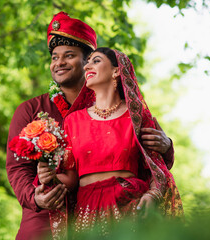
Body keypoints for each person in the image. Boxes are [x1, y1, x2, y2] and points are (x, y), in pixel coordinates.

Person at [6, 12, 175, 240]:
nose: (59, 63)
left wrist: (167, 146)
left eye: (68, 55)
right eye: (54, 57)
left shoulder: (129, 111)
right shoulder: (31, 109)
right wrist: (35, 197)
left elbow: (154, 162)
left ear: (89, 61)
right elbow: (17, 168)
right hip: (45, 217)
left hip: (119, 212)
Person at [38, 47, 183, 237]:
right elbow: (71, 179)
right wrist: (50, 175)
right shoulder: (73, 121)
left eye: (96, 60)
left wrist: (152, 195)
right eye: (87, 61)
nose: (87, 65)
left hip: (130, 206)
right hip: (87, 212)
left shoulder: (136, 117)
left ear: (116, 71)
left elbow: (157, 169)